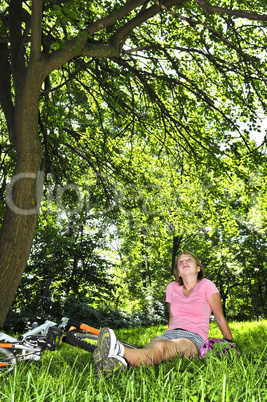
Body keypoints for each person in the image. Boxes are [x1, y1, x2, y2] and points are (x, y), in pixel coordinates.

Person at [93, 251, 234, 375]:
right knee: (154, 347)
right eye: (180, 262)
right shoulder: (172, 288)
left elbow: (219, 318)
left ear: (198, 268)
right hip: (170, 334)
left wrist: (230, 345)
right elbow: (172, 319)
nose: (184, 262)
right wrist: (167, 335)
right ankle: (115, 365)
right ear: (178, 272)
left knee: (162, 349)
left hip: (193, 338)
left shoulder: (206, 285)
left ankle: (119, 351)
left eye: (189, 260)